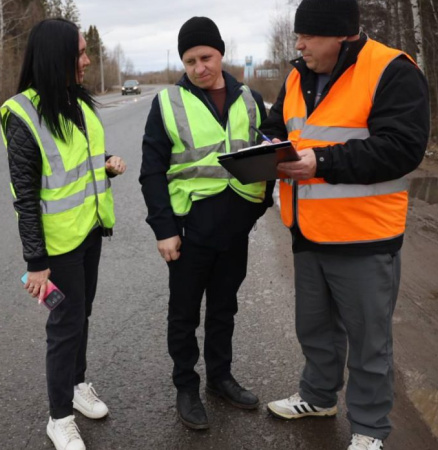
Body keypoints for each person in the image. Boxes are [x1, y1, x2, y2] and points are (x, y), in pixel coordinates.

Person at [259, 0, 430, 449]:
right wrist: (266, 147)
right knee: (314, 328)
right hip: (308, 230)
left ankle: (369, 428)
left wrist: (321, 162)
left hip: (364, 235)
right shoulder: (297, 75)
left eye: (308, 36)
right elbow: (277, 127)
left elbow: (402, 148)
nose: (299, 45)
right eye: (298, 36)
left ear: (342, 35)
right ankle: (318, 397)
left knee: (369, 340)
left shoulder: (392, 70)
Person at [139, 16, 274, 430]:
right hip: (189, 233)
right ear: (183, 62)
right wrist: (164, 230)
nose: (200, 68)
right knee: (183, 315)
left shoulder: (250, 99)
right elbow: (151, 172)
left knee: (224, 308)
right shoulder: (168, 103)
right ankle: (186, 386)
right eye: (191, 60)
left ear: (221, 54)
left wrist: (258, 207)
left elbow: (268, 155)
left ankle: (220, 378)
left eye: (207, 57)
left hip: (235, 230)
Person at [0, 18, 126, 450]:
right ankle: (59, 418)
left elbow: (80, 160)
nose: (88, 60)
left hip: (88, 230)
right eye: (81, 53)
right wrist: (36, 263)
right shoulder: (24, 115)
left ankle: (76, 384)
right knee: (64, 325)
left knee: (80, 315)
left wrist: (106, 163)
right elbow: (25, 197)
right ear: (58, 57)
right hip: (57, 247)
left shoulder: (77, 102)